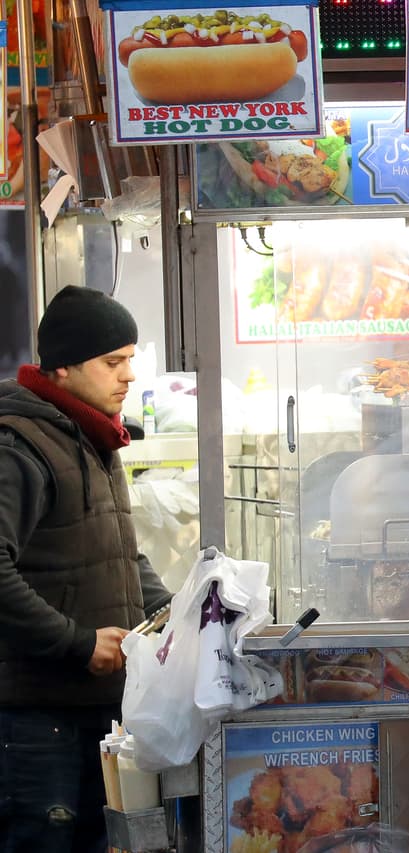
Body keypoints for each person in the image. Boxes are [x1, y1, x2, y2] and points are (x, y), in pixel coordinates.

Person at [0, 286, 172, 853]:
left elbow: (117, 556)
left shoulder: (91, 437)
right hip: (36, 719)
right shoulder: (19, 444)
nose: (127, 375)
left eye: (130, 358)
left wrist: (178, 611)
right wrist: (77, 643)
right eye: (112, 361)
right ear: (66, 367)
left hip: (95, 709)